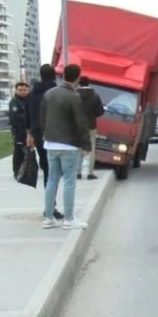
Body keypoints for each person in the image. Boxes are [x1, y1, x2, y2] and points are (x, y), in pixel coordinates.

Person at [39, 64, 91, 230]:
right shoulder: (74, 96)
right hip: (68, 144)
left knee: (51, 180)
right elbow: (80, 122)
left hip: (50, 143)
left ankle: (48, 218)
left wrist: (45, 134)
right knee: (69, 182)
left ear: (62, 75)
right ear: (77, 77)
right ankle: (69, 219)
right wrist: (86, 143)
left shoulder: (49, 94)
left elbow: (42, 117)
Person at [26, 64, 64, 220]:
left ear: (40, 76)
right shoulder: (57, 92)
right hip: (55, 135)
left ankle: (50, 205)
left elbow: (27, 114)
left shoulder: (32, 93)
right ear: (54, 76)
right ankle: (51, 207)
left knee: (47, 169)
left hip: (38, 133)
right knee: (54, 171)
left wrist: (30, 134)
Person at [76, 76, 104, 180]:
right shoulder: (95, 95)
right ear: (89, 83)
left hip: (77, 126)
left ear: (79, 83)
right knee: (91, 148)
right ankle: (90, 173)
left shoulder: (74, 95)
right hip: (91, 125)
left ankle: (77, 172)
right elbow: (100, 111)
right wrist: (92, 115)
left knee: (78, 148)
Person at [8, 81, 30, 178]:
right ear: (16, 90)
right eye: (20, 90)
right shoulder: (14, 102)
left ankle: (26, 170)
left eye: (25, 90)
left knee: (29, 151)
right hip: (19, 130)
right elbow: (15, 116)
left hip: (29, 130)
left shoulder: (30, 100)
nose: (23, 92)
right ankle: (16, 170)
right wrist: (27, 116)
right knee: (18, 151)